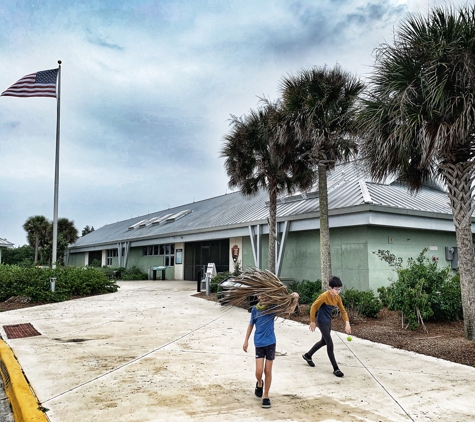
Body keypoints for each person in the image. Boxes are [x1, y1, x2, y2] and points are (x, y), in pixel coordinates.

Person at [243, 291, 299, 409]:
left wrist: (295, 299)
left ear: (269, 296)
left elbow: (289, 310)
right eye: (260, 295)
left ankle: (266, 396)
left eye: (265, 295)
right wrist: (246, 340)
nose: (262, 297)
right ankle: (259, 383)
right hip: (259, 343)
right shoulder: (255, 310)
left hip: (270, 343)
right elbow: (250, 325)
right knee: (259, 372)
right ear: (258, 296)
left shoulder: (272, 308)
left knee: (267, 371)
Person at [302, 276, 351, 377]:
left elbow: (343, 311)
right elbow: (314, 307)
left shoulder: (337, 298)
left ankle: (308, 355)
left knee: (323, 341)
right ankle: (336, 368)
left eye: (339, 289)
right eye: (336, 289)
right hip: (321, 322)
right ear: (330, 288)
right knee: (330, 343)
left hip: (328, 322)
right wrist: (312, 321)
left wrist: (347, 323)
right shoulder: (324, 296)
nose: (338, 291)